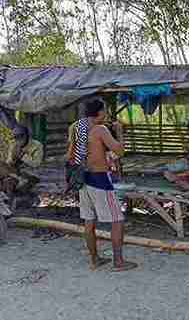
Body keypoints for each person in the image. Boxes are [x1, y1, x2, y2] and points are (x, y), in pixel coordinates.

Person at [71, 99, 137, 271]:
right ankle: (118, 262)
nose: (106, 114)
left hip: (82, 179)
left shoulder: (78, 128)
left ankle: (95, 260)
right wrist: (120, 132)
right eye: (105, 110)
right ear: (99, 112)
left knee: (89, 220)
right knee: (117, 220)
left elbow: (73, 154)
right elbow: (120, 151)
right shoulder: (100, 129)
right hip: (100, 179)